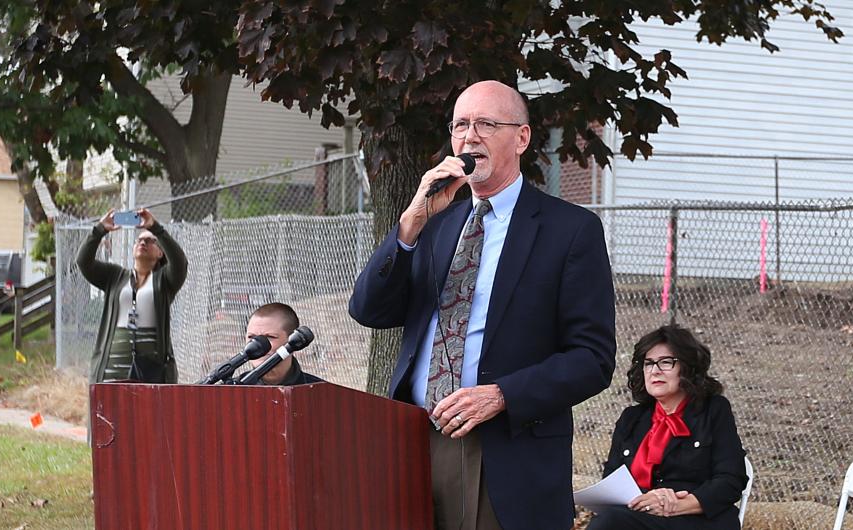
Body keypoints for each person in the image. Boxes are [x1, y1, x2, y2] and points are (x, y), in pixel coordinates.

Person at [349, 80, 616, 530]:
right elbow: (369, 311)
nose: (469, 137)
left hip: (504, 449)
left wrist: (502, 395)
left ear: (522, 138)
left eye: (486, 124)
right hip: (413, 442)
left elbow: (592, 358)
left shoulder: (569, 230)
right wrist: (410, 225)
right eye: (460, 125)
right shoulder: (435, 224)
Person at [587, 325, 747, 530]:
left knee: (608, 524)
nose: (655, 371)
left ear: (688, 368)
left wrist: (675, 505)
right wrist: (647, 499)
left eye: (666, 362)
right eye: (648, 364)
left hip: (696, 519)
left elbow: (731, 480)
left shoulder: (713, 410)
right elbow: (611, 484)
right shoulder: (631, 419)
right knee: (608, 521)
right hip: (640, 515)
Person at [76, 208, 187, 384]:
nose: (143, 242)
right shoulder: (115, 276)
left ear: (160, 253)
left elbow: (180, 262)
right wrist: (100, 230)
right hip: (110, 375)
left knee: (150, 413)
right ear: (133, 248)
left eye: (150, 241)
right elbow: (83, 261)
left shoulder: (165, 281)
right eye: (140, 240)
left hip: (152, 377)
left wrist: (156, 228)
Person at [235, 303, 323, 385]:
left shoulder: (321, 392)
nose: (258, 346)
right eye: (251, 337)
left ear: (293, 340)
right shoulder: (230, 392)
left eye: (270, 337)